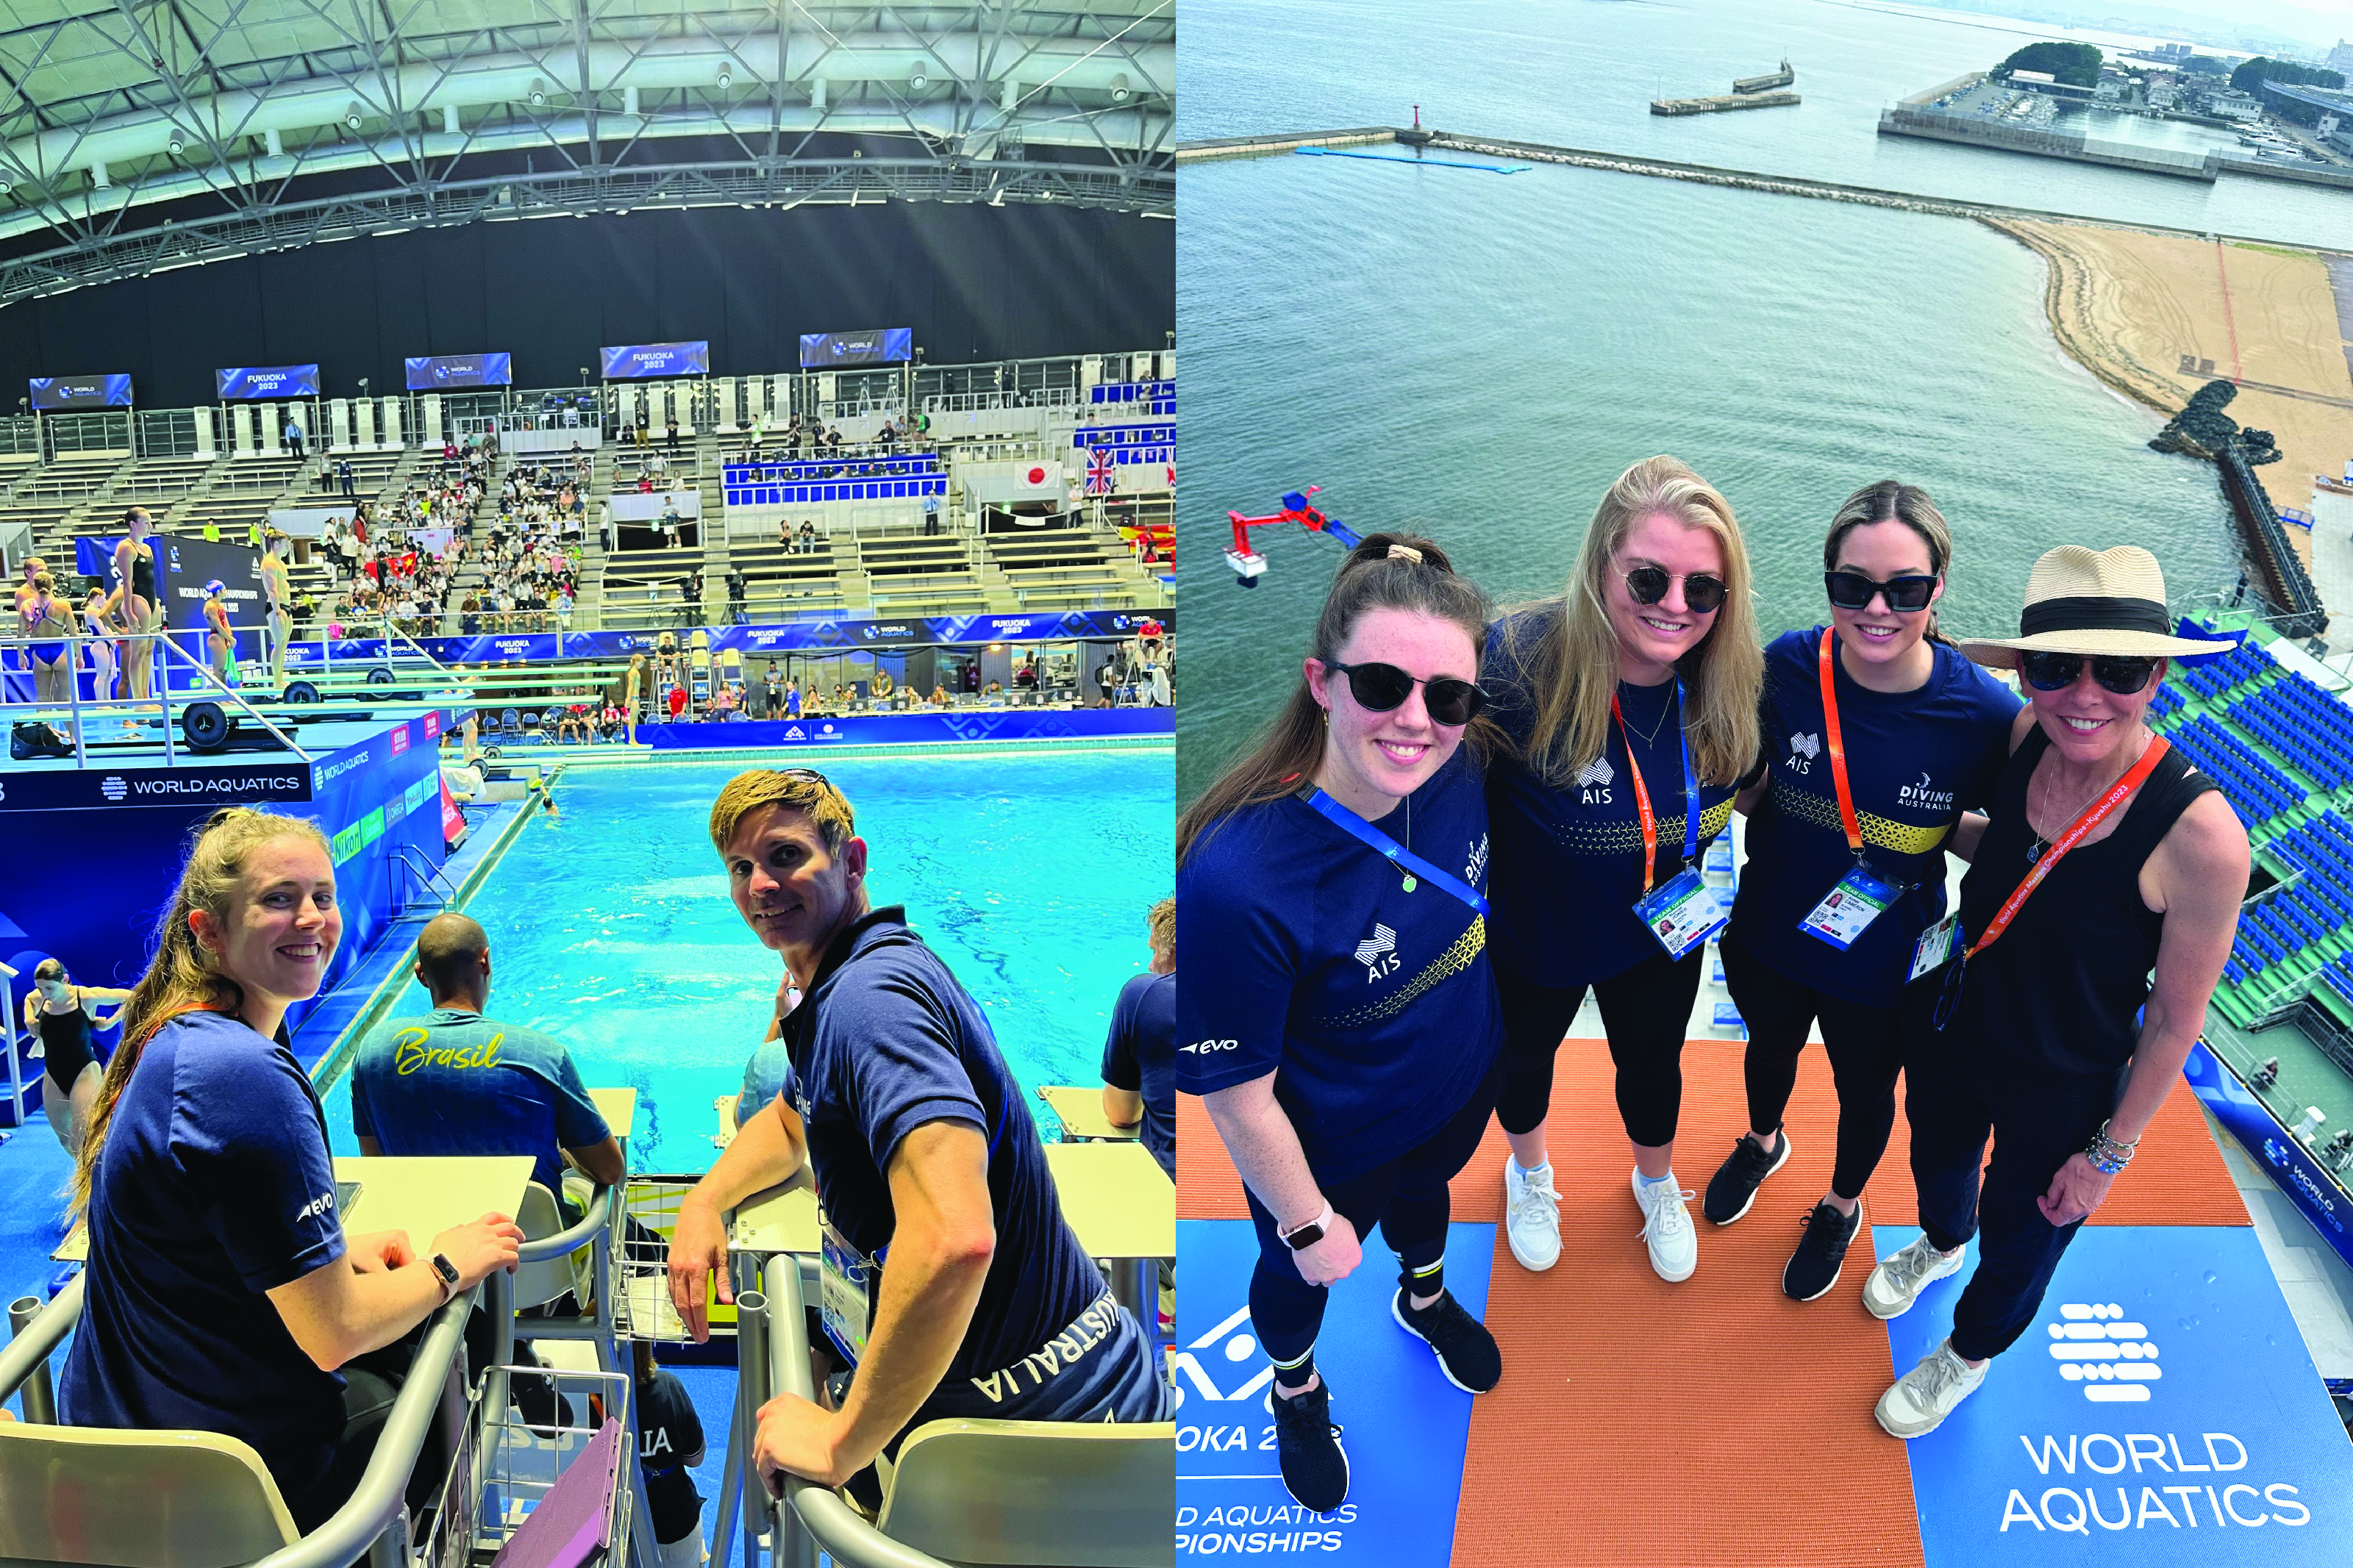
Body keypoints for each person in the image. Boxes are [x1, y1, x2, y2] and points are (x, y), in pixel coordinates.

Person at [666, 770, 1168, 1504]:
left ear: (852, 862)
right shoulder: (838, 981)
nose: (760, 886)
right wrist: (705, 1201)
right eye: (741, 868)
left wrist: (841, 1442)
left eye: (784, 856)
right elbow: (787, 1119)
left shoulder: (869, 1005)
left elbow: (953, 1239)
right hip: (1062, 1394)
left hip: (1038, 1441)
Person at [1868, 546, 2246, 1437]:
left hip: (2064, 1080)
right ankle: (1938, 1242)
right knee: (1938, 1164)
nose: (2082, 695)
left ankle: (1963, 1356)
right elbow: (2013, 859)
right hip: (1957, 1021)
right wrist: (1910, 829)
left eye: (2115, 670)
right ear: (2027, 674)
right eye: (2053, 667)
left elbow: (2173, 1024)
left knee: (2023, 1237)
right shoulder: (2022, 740)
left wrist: (2106, 1157)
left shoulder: (2199, 838)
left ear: (2154, 675)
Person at [59, 808, 525, 1530]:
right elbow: (333, 1332)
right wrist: (445, 1265)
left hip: (119, 1462)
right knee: (462, 1334)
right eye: (278, 899)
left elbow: (206, 1244)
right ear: (208, 930)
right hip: (232, 1497)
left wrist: (330, 1260)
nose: (311, 918)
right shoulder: (243, 1076)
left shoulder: (176, 1041)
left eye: (323, 896)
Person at [1179, 534, 1504, 1513]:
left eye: (1447, 694)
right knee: (1295, 1284)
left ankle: (1425, 1295)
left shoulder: (1464, 761)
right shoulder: (1238, 879)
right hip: (1328, 1151)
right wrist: (1307, 1219)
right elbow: (1236, 1098)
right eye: (1381, 684)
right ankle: (1295, 1386)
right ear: (1321, 682)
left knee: (1429, 1199)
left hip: (1452, 1085)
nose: (1417, 719)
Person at [1701, 482, 2020, 1303]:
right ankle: (1762, 1140)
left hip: (1883, 960)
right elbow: (1746, 784)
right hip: (1768, 929)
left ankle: (1840, 1205)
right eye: (1853, 585)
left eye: (1903, 589)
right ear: (1828, 583)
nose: (1876, 608)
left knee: (1863, 1090)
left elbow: (2006, 835)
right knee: (1766, 1052)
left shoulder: (1983, 711)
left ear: (1936, 588)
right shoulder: (1782, 666)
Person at [1482, 455, 1763, 1284]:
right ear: (1600, 564)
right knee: (1523, 1061)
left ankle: (1653, 1180)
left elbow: (1766, 787)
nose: (1674, 607)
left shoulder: (1732, 681)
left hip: (1659, 935)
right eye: (1647, 580)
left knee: (1651, 1068)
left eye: (1700, 590)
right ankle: (1527, 1173)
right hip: (1536, 935)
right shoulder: (1515, 664)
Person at [351, 914, 624, 1220]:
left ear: (421, 975)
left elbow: (375, 1165)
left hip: (421, 1247)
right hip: (533, 1255)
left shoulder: (372, 1052)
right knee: (582, 1186)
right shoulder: (540, 1054)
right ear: (485, 962)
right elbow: (609, 1169)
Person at [21, 962, 132, 1153]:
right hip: (54, 1073)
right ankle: (86, 1174)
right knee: (64, 1139)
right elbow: (29, 1000)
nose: (45, 994)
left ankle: (92, 1178)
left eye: (50, 988)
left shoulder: (86, 997)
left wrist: (111, 1022)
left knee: (81, 1137)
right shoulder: (41, 997)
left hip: (84, 1070)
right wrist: (29, 1019)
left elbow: (132, 997)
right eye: (40, 988)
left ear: (65, 980)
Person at [1101, 897, 1175, 1180]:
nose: (1151, 963)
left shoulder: (1144, 994)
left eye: (1156, 951)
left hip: (1169, 1186)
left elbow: (1120, 1113)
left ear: (1175, 953)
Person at [634, 1339, 707, 1567]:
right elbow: (695, 1458)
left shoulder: (589, 1399)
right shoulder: (669, 1386)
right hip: (677, 1525)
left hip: (618, 1530)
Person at [107, 509, 160, 735]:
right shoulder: (125, 548)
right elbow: (126, 584)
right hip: (137, 599)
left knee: (149, 650)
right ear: (132, 524)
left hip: (151, 599)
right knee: (138, 653)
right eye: (146, 523)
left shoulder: (147, 549)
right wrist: (128, 612)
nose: (150, 527)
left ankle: (146, 697)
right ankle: (138, 702)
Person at [20, 570, 77, 737]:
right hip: (60, 652)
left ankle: (44, 738)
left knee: (43, 698)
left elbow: (20, 634)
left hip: (39, 653)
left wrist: (20, 656)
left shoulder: (27, 605)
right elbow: (74, 634)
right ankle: (74, 737)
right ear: (52, 585)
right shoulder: (63, 605)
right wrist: (79, 656)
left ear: (35, 586)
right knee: (66, 698)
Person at [259, 536, 293, 688]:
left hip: (286, 606)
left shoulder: (281, 564)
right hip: (276, 607)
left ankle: (280, 677)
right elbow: (273, 591)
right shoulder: (269, 563)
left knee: (284, 643)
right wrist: (278, 612)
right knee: (279, 644)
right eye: (287, 545)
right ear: (277, 544)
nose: (289, 548)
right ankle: (276, 681)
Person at [82, 589, 119, 706]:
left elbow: (106, 629)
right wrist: (112, 641)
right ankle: (101, 704)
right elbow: (101, 630)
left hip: (104, 643)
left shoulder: (97, 610)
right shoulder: (91, 611)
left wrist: (112, 640)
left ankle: (107, 702)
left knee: (108, 675)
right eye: (104, 597)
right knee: (102, 675)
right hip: (99, 644)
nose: (105, 600)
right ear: (98, 596)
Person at [202, 580, 235, 687]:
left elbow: (226, 624)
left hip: (223, 637)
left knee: (224, 670)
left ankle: (225, 696)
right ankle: (219, 697)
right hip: (216, 637)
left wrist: (230, 638)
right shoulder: (210, 606)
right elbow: (218, 627)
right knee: (218, 670)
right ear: (219, 591)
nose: (226, 592)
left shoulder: (220, 606)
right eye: (225, 590)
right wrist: (230, 638)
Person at [625, 653, 646, 745]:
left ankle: (633, 739)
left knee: (634, 720)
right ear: (636, 662)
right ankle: (632, 740)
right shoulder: (633, 672)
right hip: (633, 698)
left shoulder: (636, 672)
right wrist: (628, 699)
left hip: (636, 698)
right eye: (641, 663)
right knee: (632, 720)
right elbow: (630, 686)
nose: (642, 665)